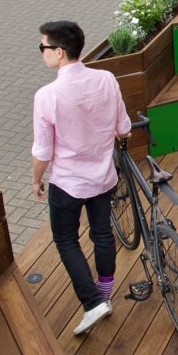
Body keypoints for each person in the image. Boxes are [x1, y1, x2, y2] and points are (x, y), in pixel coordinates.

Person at [31, 21, 131, 335]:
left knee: (65, 240)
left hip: (67, 184)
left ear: (59, 52)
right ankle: (103, 295)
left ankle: (92, 303)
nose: (42, 52)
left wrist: (36, 180)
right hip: (103, 177)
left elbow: (43, 152)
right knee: (101, 235)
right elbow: (124, 127)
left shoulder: (47, 96)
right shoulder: (106, 79)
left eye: (43, 47)